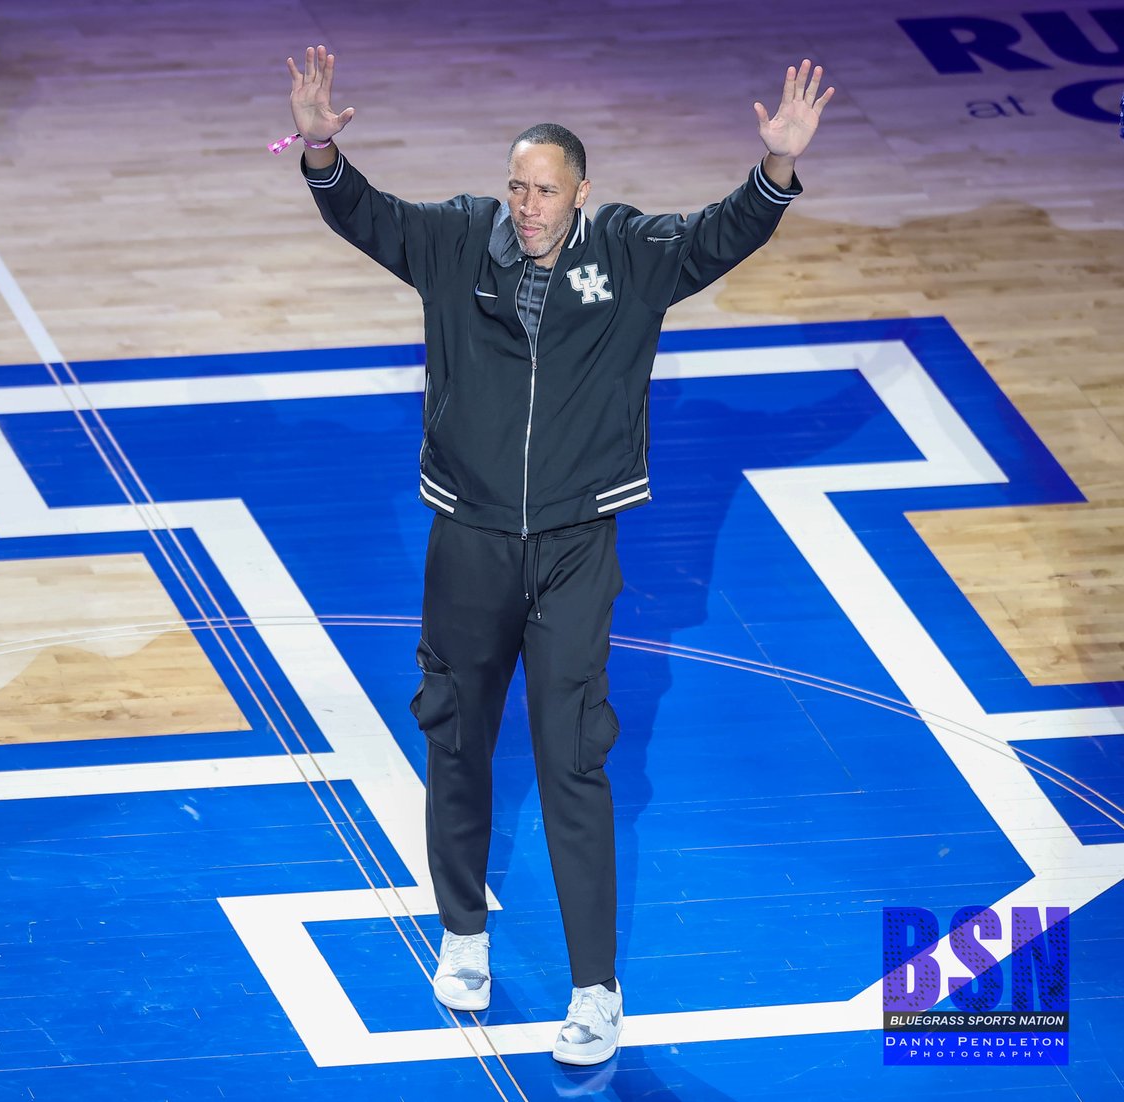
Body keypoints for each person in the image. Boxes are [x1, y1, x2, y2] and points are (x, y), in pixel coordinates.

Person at [279, 45, 832, 1066]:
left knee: (574, 761)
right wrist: (319, 148)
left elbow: (723, 234)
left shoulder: (627, 253)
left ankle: (595, 990)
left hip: (578, 549)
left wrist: (778, 168)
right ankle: (463, 932)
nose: (526, 208)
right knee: (455, 740)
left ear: (581, 193)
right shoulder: (456, 239)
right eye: (517, 188)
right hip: (469, 542)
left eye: (544, 191)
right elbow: (364, 213)